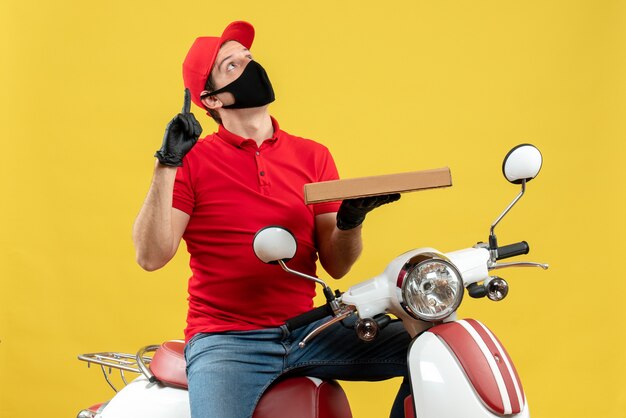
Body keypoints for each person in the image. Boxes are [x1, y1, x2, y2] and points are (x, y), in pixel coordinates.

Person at [132, 20, 411, 418]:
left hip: (310, 331)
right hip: (227, 341)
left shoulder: (314, 156)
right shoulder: (192, 162)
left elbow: (337, 264)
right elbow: (150, 256)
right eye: (232, 66)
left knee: (433, 345)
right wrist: (167, 164)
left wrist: (351, 221)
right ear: (211, 100)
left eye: (249, 58)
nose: (251, 68)